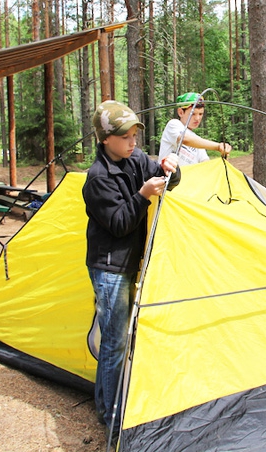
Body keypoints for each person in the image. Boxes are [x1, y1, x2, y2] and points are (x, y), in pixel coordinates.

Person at [82, 100, 180, 438]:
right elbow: (120, 223)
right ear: (106, 139)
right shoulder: (97, 178)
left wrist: (170, 168)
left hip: (128, 264)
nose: (133, 142)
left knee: (118, 341)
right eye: (125, 137)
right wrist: (143, 195)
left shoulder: (135, 158)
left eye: (135, 135)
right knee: (114, 343)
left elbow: (167, 179)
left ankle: (105, 405)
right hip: (109, 270)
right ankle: (112, 416)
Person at [158, 92, 232, 166]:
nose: (197, 118)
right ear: (181, 112)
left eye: (200, 114)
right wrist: (218, 146)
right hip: (167, 173)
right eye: (193, 114)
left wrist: (223, 158)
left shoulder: (198, 141)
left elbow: (206, 165)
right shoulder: (173, 124)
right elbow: (184, 139)